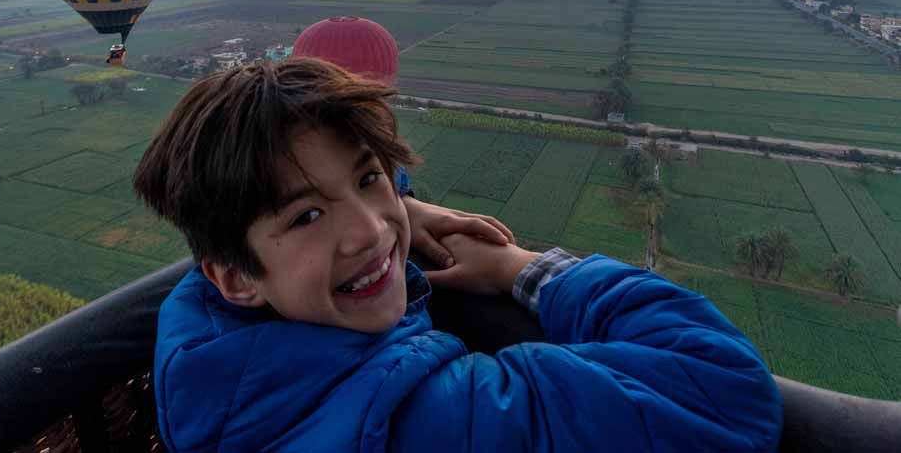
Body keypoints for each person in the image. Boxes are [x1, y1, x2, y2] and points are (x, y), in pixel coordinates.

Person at [133, 57, 781, 452]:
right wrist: (520, 266)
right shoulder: (440, 422)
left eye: (367, 179)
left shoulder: (211, 343)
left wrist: (405, 208)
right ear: (236, 278)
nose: (370, 232)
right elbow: (725, 390)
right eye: (306, 215)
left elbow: (324, 202)